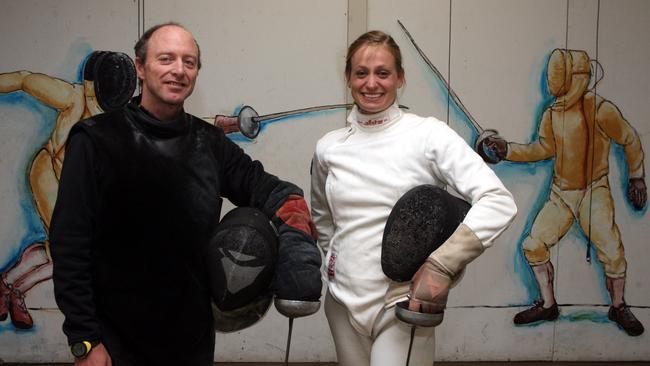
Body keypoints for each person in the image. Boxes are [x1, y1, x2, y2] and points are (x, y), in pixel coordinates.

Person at [50, 22, 321, 366]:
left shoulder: (209, 143)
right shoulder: (95, 140)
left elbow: (267, 189)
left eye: (189, 62)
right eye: (166, 59)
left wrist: (294, 218)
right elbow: (69, 245)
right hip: (113, 343)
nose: (178, 70)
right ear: (140, 67)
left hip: (190, 341)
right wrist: (84, 341)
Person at [310, 30, 517, 366]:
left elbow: (498, 201)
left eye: (383, 73)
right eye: (361, 73)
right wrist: (333, 264)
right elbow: (322, 217)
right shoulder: (329, 147)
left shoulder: (428, 135)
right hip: (342, 303)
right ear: (348, 78)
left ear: (400, 78)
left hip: (403, 301)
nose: (371, 83)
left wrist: (442, 265)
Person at [483, 48, 646, 336]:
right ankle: (548, 305)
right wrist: (507, 150)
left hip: (595, 192)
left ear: (576, 77)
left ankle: (618, 306)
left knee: (612, 251)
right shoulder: (552, 114)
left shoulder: (600, 109)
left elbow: (630, 139)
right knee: (533, 245)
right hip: (562, 194)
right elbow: (541, 149)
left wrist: (637, 177)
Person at [0, 51, 135, 329]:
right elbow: (25, 81)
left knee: (64, 250)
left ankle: (11, 289)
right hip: (49, 173)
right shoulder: (72, 97)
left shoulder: (121, 112)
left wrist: (224, 124)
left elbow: (173, 124)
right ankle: (10, 288)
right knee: (69, 249)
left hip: (79, 189)